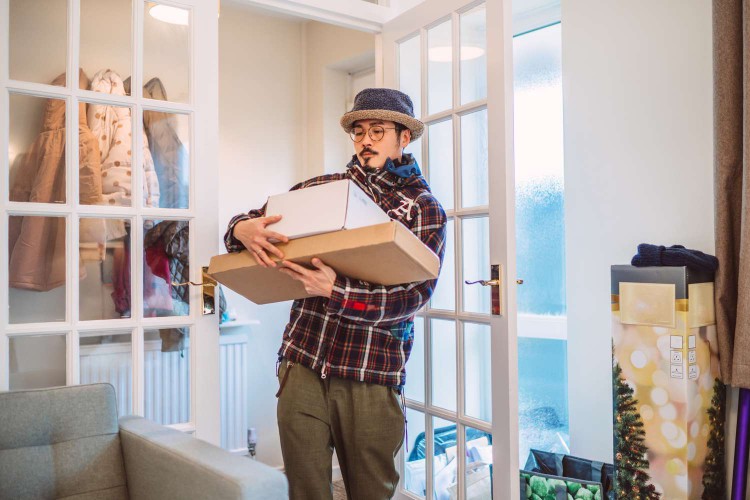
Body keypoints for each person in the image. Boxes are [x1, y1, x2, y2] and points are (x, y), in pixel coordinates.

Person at [224, 88, 447, 499]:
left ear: (404, 138)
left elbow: (411, 297)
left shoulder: (423, 209)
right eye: (359, 131)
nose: (365, 140)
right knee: (305, 488)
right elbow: (253, 222)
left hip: (371, 375)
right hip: (302, 362)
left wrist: (336, 290)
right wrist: (241, 228)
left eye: (377, 131)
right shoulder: (322, 188)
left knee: (370, 491)